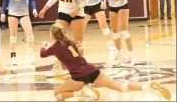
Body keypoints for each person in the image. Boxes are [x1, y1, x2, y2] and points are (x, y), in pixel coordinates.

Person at [40, 23, 171, 101]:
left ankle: (81, 92)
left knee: (57, 95)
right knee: (120, 86)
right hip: (91, 70)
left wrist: (44, 45)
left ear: (52, 35)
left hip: (78, 77)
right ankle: (147, 87)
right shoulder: (71, 42)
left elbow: (42, 54)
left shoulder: (54, 47)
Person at [39, 0, 88, 77]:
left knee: (78, 42)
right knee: (57, 40)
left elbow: (85, 0)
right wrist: (44, 9)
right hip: (62, 13)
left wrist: (77, 9)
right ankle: (57, 67)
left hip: (76, 14)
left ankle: (81, 66)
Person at [1, 0, 38, 65]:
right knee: (13, 37)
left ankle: (30, 53)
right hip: (12, 14)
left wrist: (34, 9)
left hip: (24, 14)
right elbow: (5, 0)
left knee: (30, 36)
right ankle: (13, 56)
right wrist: (2, 12)